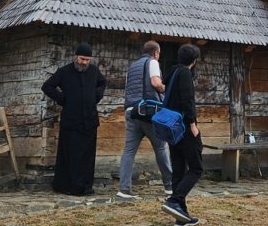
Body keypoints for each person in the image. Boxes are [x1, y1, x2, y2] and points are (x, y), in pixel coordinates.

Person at [41, 42, 106, 195]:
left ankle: (85, 186)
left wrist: (95, 97)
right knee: (70, 155)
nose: (84, 62)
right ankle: (67, 186)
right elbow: (47, 86)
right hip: (71, 121)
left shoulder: (94, 71)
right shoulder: (64, 71)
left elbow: (102, 83)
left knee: (87, 156)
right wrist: (63, 99)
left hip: (89, 120)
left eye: (87, 60)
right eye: (82, 59)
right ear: (75, 57)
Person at [116, 40, 173, 200]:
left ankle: (124, 189)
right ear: (155, 53)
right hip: (147, 112)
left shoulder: (132, 67)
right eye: (159, 54)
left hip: (131, 111)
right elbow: (155, 82)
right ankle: (170, 186)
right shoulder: (152, 62)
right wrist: (166, 89)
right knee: (161, 147)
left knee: (129, 151)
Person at [161, 43, 202, 226]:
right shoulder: (185, 73)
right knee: (196, 168)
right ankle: (174, 200)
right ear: (194, 60)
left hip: (172, 127)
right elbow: (187, 100)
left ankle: (181, 217)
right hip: (184, 126)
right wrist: (192, 124)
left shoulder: (172, 72)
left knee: (178, 170)